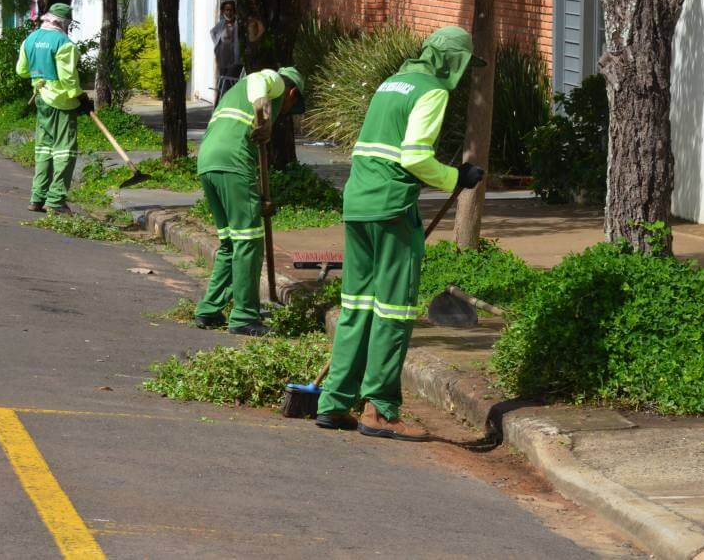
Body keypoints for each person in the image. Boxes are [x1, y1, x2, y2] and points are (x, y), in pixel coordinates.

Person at [315, 26, 486, 440]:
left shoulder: (391, 83)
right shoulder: (432, 91)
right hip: (391, 208)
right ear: (452, 61)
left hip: (358, 203)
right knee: (393, 310)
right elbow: (414, 157)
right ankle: (379, 412)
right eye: (464, 65)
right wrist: (456, 177)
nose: (464, 75)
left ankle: (334, 402)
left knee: (357, 305)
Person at [193, 67, 305, 336]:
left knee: (230, 243)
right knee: (249, 242)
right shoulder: (273, 80)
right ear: (291, 93)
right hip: (233, 162)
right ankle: (244, 317)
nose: (285, 113)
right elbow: (259, 81)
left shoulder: (234, 93)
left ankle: (209, 310)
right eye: (290, 108)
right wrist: (264, 119)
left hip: (207, 162)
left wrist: (259, 199)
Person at [15, 2, 93, 215]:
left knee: (44, 148)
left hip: (41, 100)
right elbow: (68, 78)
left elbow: (22, 70)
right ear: (64, 23)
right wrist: (81, 97)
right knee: (65, 150)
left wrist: (40, 74)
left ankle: (37, 197)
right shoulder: (64, 43)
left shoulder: (30, 40)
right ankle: (56, 200)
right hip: (62, 103)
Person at [210, 0, 241, 104]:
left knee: (228, 84)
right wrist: (218, 46)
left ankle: (224, 105)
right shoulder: (221, 24)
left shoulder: (238, 24)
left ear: (234, 11)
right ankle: (219, 106)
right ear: (223, 11)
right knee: (221, 84)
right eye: (226, 10)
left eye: (231, 10)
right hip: (222, 60)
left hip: (234, 61)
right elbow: (213, 32)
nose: (229, 12)